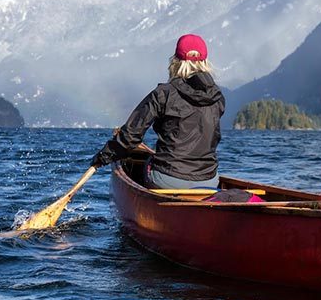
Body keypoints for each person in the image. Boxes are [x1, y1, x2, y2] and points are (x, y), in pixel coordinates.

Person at [90, 34, 225, 190]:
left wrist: (103, 156)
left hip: (168, 179)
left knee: (144, 166)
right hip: (209, 181)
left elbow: (130, 136)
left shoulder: (164, 93)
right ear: (205, 62)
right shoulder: (218, 97)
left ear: (175, 61)